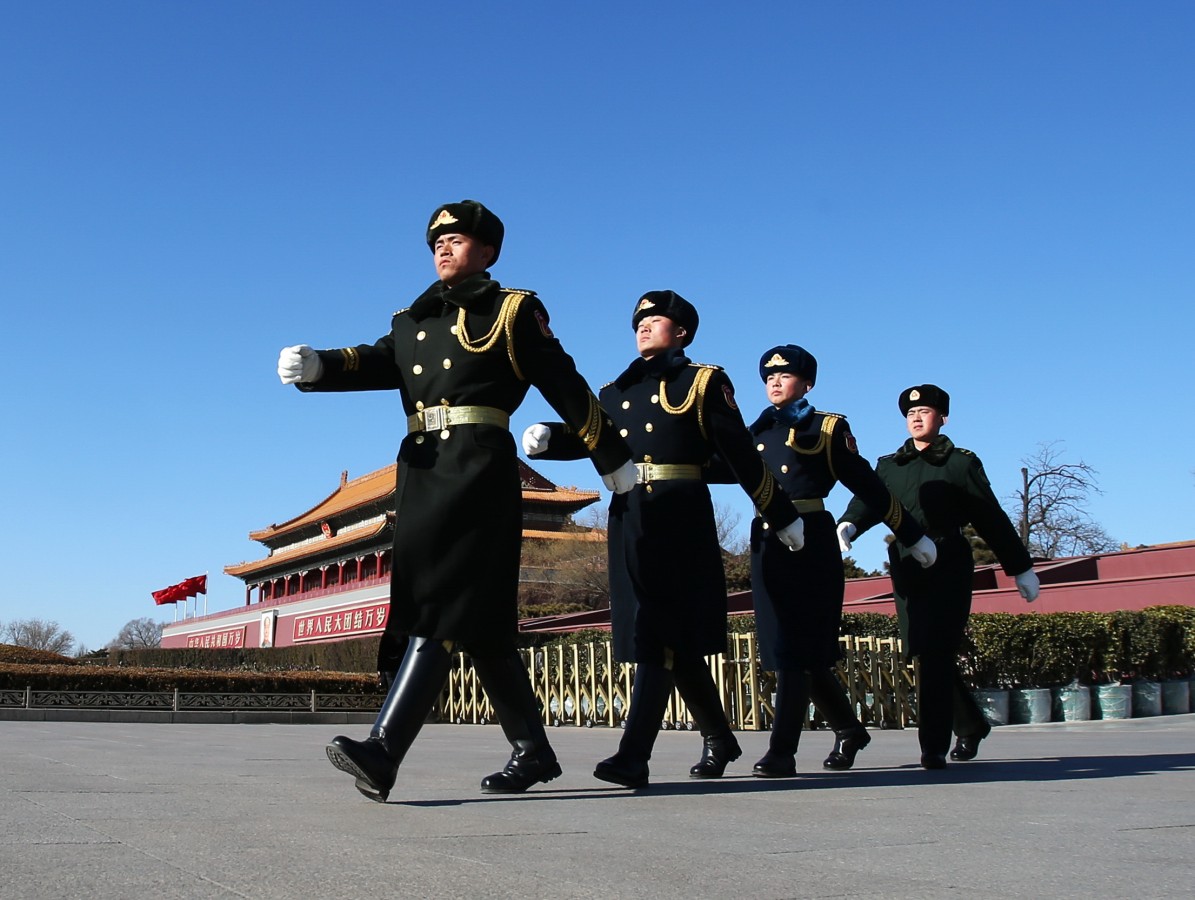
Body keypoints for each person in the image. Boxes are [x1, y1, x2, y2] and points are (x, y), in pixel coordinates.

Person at [276, 200, 635, 801]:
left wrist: (611, 457)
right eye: (436, 241)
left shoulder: (513, 310)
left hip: (476, 470)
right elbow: (376, 360)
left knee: (439, 606)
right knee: (483, 628)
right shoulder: (412, 319)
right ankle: (533, 750)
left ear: (489, 250)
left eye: (458, 239)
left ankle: (384, 750)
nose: (443, 248)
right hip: (420, 473)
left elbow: (565, 383)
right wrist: (320, 365)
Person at [523, 291, 805, 788]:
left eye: (657, 320)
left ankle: (634, 756)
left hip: (680, 516)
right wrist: (552, 438)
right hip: (630, 516)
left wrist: (779, 513)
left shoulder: (702, 381)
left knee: (657, 634)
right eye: (640, 321)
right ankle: (719, 736)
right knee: (660, 637)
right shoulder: (616, 390)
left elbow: (740, 452)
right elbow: (597, 437)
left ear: (683, 332)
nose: (645, 327)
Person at [746, 345, 938, 778]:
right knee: (793, 652)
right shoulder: (754, 430)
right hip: (765, 541)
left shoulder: (828, 428)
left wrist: (911, 531)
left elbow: (868, 484)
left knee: (795, 651)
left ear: (807, 383)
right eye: (769, 376)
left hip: (810, 538)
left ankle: (782, 752)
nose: (775, 382)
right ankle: (850, 730)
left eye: (786, 375)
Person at [838, 384, 1040, 770]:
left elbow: (990, 516)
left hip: (947, 561)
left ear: (942, 417)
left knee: (936, 652)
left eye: (925, 411)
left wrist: (1020, 567)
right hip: (906, 564)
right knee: (922, 651)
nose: (916, 417)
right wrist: (849, 523)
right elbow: (869, 499)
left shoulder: (960, 464)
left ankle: (932, 746)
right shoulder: (889, 465)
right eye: (911, 413)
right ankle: (971, 724)